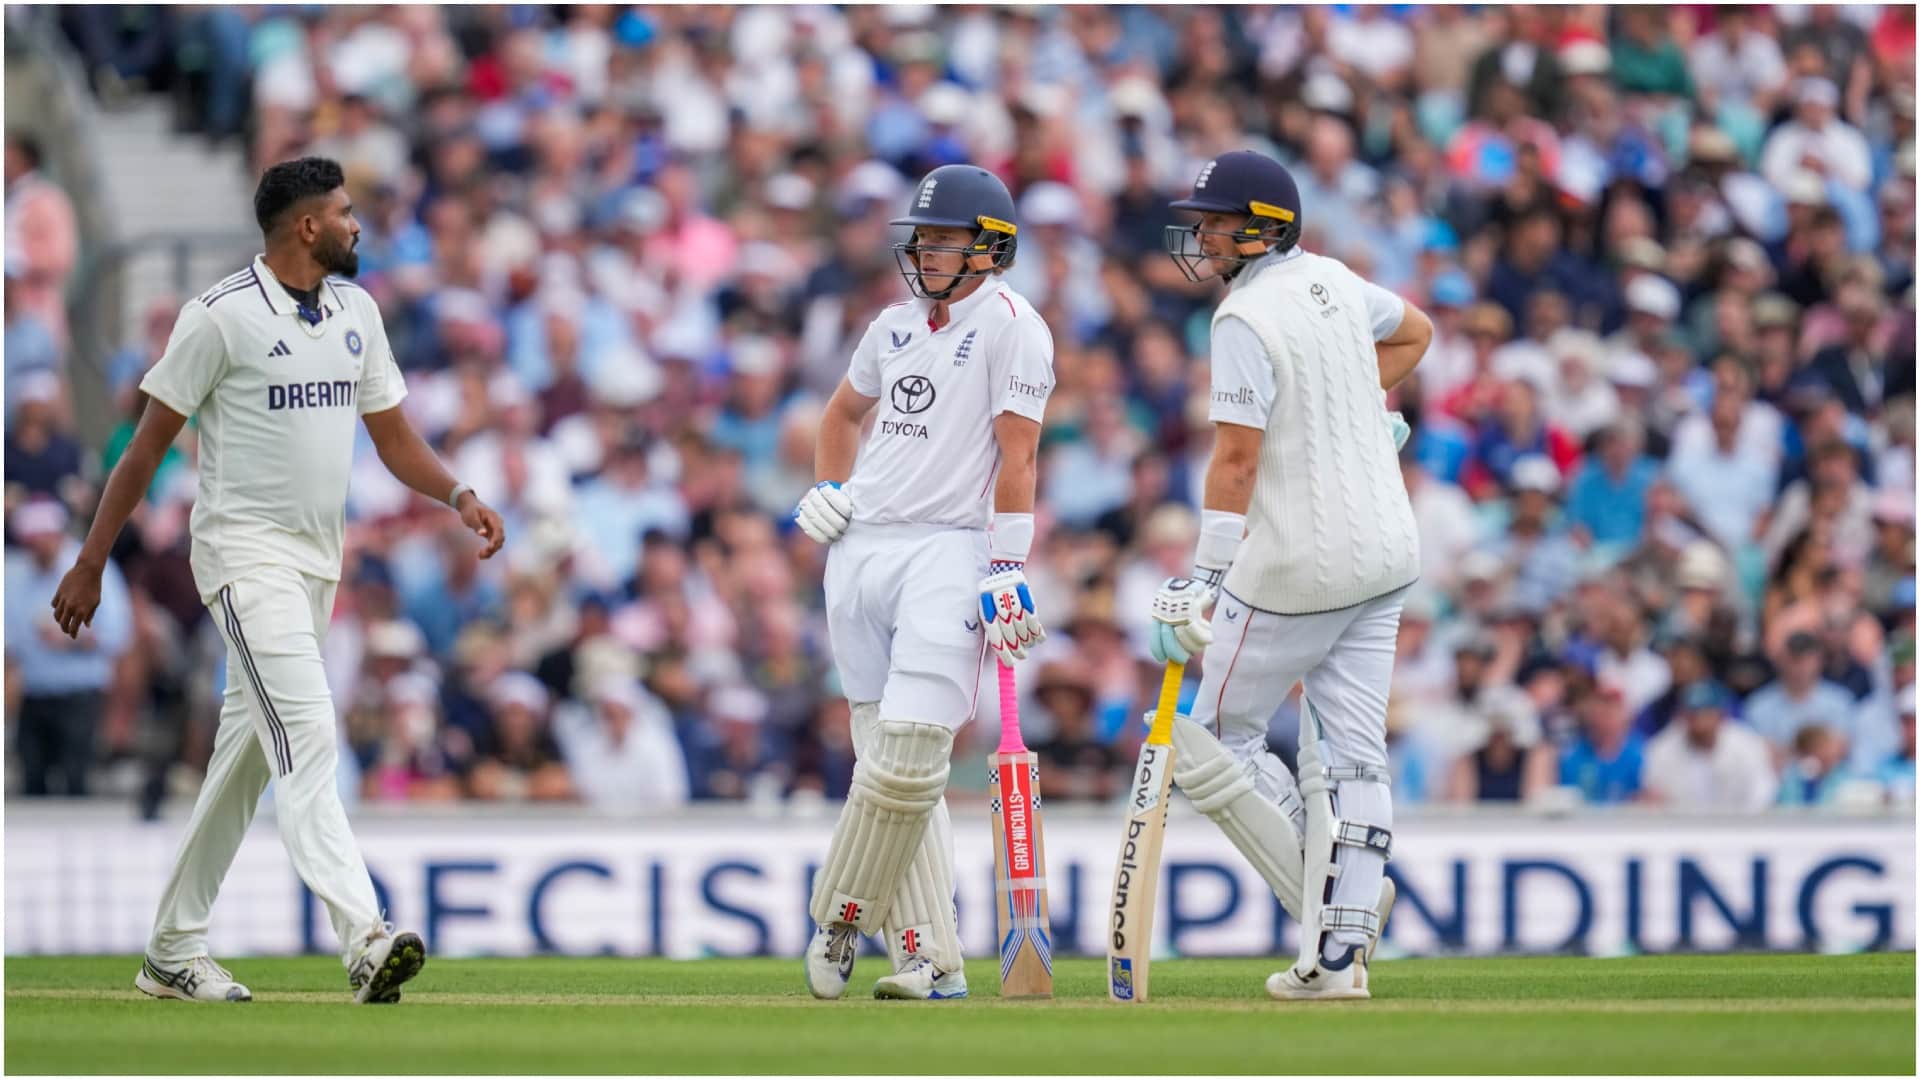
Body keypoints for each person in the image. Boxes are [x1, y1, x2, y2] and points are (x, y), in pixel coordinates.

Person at [49, 157, 506, 1005]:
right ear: (307, 227)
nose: (355, 223)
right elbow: (145, 448)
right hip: (242, 558)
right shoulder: (218, 318)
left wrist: (457, 492)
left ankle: (171, 953)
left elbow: (395, 438)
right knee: (308, 733)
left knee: (248, 762)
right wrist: (90, 560)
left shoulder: (356, 311)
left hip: (314, 567)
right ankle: (365, 938)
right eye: (343, 211)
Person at [1146, 150, 1432, 1002]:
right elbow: (1417, 331)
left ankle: (1321, 878)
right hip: (1386, 553)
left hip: (1294, 568)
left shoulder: (1241, 318)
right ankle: (1343, 947)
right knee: (1358, 759)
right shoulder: (1340, 281)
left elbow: (1234, 463)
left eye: (1214, 221)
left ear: (1263, 227)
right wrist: (1347, 410)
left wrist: (1201, 577)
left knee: (1213, 744)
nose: (1200, 234)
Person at [792, 163, 1054, 1001]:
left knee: (908, 760)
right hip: (860, 550)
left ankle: (837, 914)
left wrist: (1009, 566)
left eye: (944, 238)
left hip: (948, 549)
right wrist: (832, 490)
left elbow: (1020, 458)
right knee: (885, 759)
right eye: (924, 236)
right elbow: (840, 416)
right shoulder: (892, 325)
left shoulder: (1017, 327)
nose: (926, 250)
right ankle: (931, 958)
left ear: (989, 249)